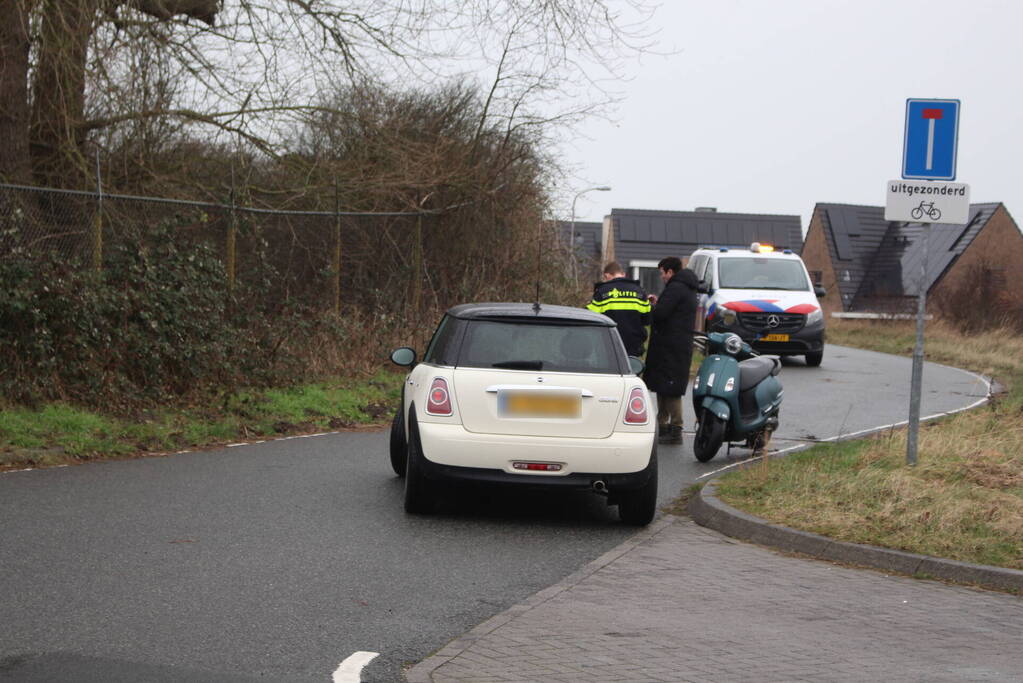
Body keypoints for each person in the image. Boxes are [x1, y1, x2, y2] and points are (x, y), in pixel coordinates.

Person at [643, 256, 699, 445]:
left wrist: (651, 307)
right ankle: (665, 427)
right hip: (678, 344)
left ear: (669, 271)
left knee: (670, 387)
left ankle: (675, 430)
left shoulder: (675, 288)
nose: (661, 277)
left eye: (662, 273)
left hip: (670, 346)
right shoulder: (686, 288)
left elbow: (660, 314)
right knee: (664, 385)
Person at [586, 261, 651, 357]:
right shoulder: (639, 291)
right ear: (623, 274)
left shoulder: (602, 291)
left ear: (607, 275)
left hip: (608, 345)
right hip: (633, 346)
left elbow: (591, 317)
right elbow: (647, 319)